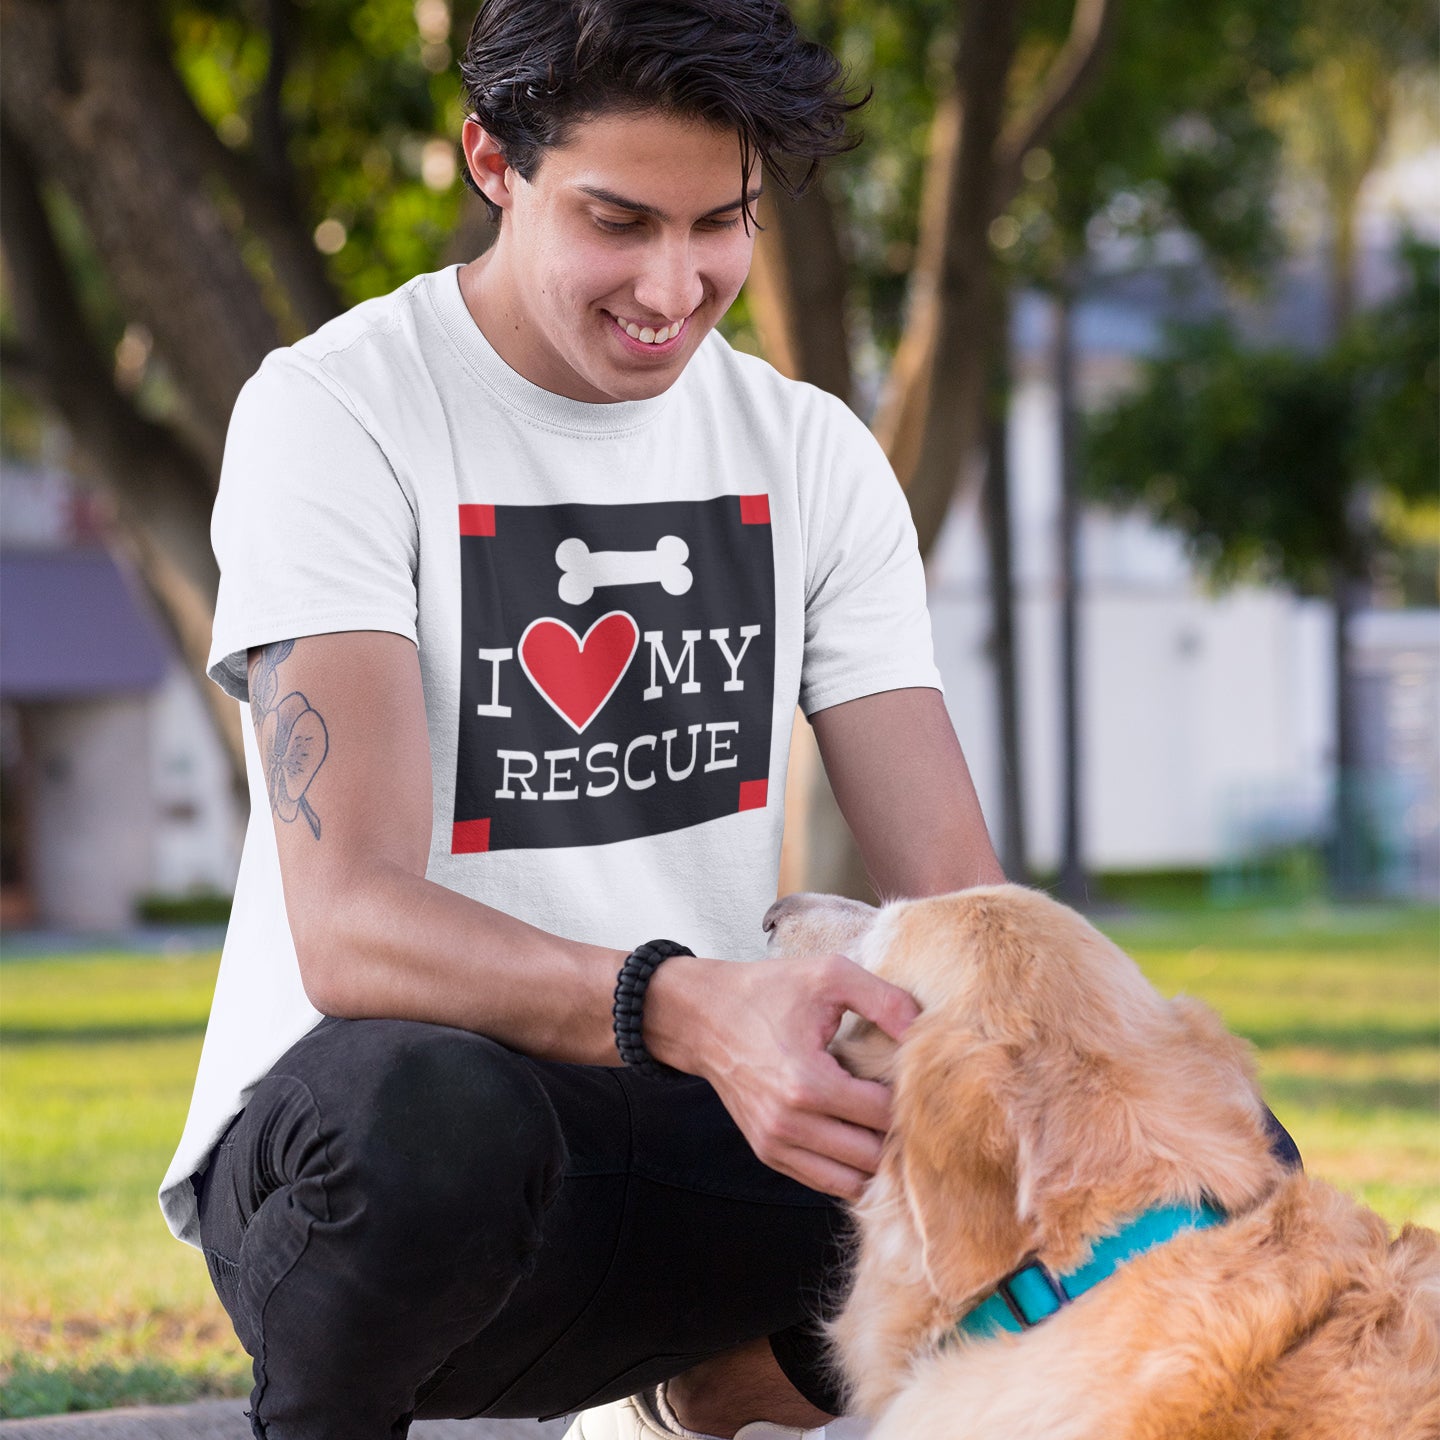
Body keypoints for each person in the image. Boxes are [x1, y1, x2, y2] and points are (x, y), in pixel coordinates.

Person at [161, 2, 1006, 1437]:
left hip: (701, 1137)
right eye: (618, 221)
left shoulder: (810, 454)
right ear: (493, 161)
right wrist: (691, 1003)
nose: (672, 285)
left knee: (1163, 1150)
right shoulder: (338, 412)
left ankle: (724, 1383)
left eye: (718, 225)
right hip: (385, 1178)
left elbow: (962, 905)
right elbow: (354, 924)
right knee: (435, 1117)